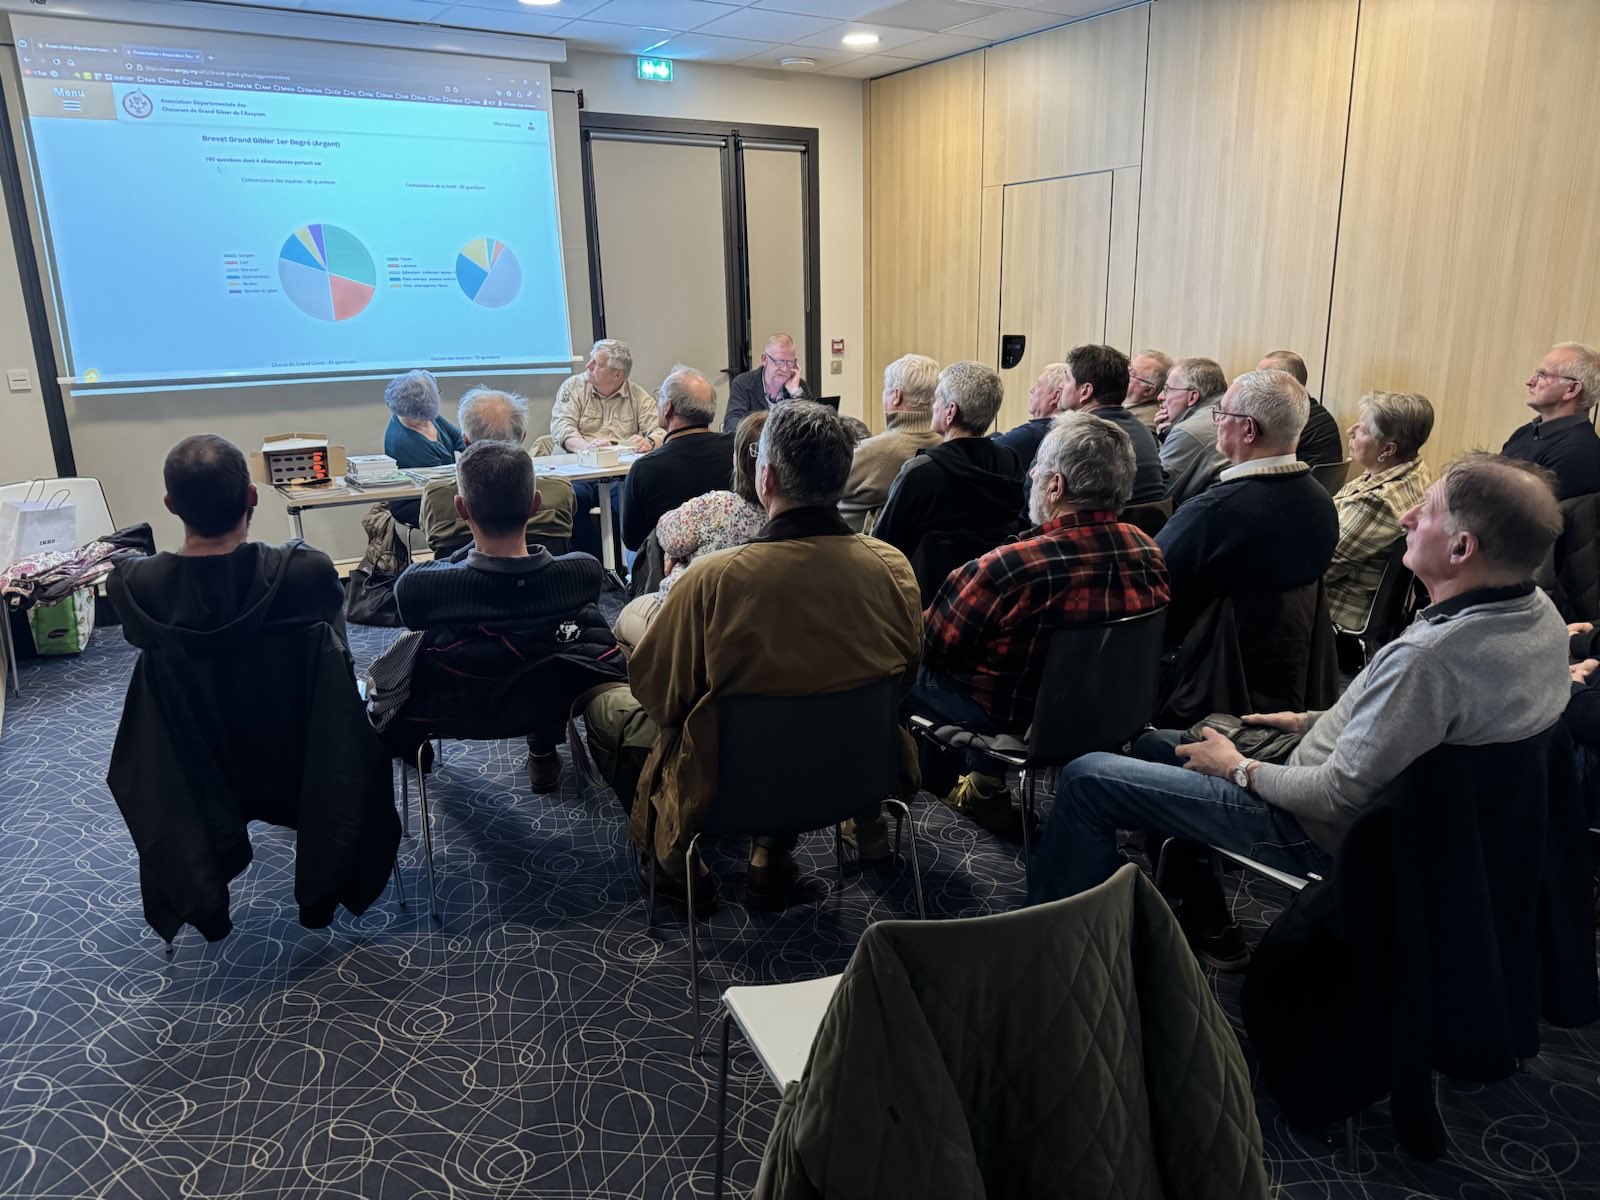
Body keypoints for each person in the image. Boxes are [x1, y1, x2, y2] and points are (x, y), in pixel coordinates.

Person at [1030, 453, 1570, 966]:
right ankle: (1202, 915)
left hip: (1316, 826)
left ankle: (1061, 947)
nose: (1406, 516)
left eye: (1425, 511)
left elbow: (1337, 796)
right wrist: (1313, 721)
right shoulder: (1537, 615)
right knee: (1154, 745)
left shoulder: (1430, 659)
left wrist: (1238, 768)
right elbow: (1418, 725)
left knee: (1086, 776)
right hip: (1386, 809)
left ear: (1461, 549)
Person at [582, 402, 922, 910]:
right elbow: (904, 679)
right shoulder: (891, 566)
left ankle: (676, 865)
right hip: (854, 768)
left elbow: (661, 698)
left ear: (764, 478)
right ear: (842, 477)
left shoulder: (713, 579)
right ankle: (768, 852)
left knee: (605, 707)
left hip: (729, 785)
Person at [915, 411, 1171, 834]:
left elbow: (930, 645)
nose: (1030, 473)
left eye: (1039, 467)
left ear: (1056, 486)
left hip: (1013, 721)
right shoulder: (1147, 549)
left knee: (895, 665)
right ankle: (983, 787)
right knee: (1004, 655)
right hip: (1105, 712)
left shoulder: (1009, 567)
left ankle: (872, 814)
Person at [370, 441, 621, 794]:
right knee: (547, 644)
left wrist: (464, 555)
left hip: (457, 709)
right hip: (547, 702)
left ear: (461, 509)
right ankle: (543, 750)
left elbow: (451, 580)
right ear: (535, 504)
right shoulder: (581, 571)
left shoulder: (419, 587)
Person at [110, 433, 348, 648]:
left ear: (170, 504)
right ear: (252, 495)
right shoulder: (306, 570)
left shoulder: (132, 585)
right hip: (293, 697)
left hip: (180, 698)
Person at [1156, 368, 1339, 642]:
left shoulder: (1212, 513)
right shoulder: (1324, 504)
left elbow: (1150, 584)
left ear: (1249, 429)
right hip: (1287, 668)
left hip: (1199, 667)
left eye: (1221, 412)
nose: (1215, 421)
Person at [613, 412, 768, 652]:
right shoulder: (794, 516)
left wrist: (681, 553)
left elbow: (662, 533)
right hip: (756, 625)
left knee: (622, 622)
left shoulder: (718, 506)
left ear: (737, 460)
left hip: (688, 621)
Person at [872, 361, 1023, 564]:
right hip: (993, 585)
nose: (933, 405)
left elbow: (883, 547)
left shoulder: (920, 472)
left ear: (951, 411)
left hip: (929, 590)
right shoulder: (1010, 462)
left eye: (936, 399)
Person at [420, 387, 576, 557]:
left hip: (459, 581)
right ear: (523, 436)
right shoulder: (560, 491)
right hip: (547, 581)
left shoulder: (436, 497)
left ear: (466, 441)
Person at [1325, 390, 1434, 632]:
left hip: (1333, 611)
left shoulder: (1379, 502)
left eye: (1362, 430)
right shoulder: (1413, 469)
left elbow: (1318, 569)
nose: (1350, 431)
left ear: (1388, 449)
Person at [552, 339, 664, 558]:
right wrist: (588, 448)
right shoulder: (573, 387)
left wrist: (649, 442)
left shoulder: (638, 396)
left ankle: (628, 567)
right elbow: (562, 428)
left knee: (631, 503)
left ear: (617, 375)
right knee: (574, 501)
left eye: (596, 363)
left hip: (617, 476)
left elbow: (660, 430)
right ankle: (590, 566)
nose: (588, 366)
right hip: (579, 473)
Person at [620, 366, 732, 551]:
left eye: (660, 397)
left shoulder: (645, 468)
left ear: (668, 408)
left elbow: (632, 540)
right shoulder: (737, 449)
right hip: (730, 558)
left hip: (671, 566)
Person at [838, 353, 942, 533]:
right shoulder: (945, 446)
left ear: (896, 396)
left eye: (885, 389)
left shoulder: (869, 454)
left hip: (853, 550)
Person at [1058, 344, 1166, 503]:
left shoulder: (1078, 436)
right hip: (1143, 525)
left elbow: (1037, 494)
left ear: (1085, 392)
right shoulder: (1143, 430)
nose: (1060, 386)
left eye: (1067, 379)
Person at [1501, 342, 1600, 500]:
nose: (1530, 381)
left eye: (1542, 375)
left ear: (1572, 390)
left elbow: (1531, 519)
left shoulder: (1578, 453)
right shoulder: (1528, 431)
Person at [382, 369, 466, 525]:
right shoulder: (405, 441)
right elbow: (442, 482)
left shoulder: (429, 418)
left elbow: (460, 439)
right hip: (418, 500)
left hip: (442, 490)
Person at [1157, 357, 1229, 505]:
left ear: (1192, 397)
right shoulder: (1225, 413)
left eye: (1167, 389)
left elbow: (1157, 496)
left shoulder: (1189, 431)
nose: (1160, 397)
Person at [1256, 350, 1342, 467]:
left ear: (1287, 383)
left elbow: (1258, 464)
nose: (1254, 384)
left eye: (1261, 379)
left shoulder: (1292, 420)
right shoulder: (1314, 411)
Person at [721, 333, 813, 432]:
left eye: (790, 362)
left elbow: (812, 423)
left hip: (789, 446)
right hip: (754, 444)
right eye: (779, 362)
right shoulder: (743, 383)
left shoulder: (799, 385)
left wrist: (795, 393)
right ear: (764, 359)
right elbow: (731, 423)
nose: (784, 368)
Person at [991, 362, 1068, 477]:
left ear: (1055, 397)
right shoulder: (1062, 430)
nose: (1032, 390)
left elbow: (986, 450)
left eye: (1038, 385)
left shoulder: (1034, 433)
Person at [1122, 349, 1174, 432]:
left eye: (1132, 373)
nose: (1122, 373)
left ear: (1148, 391)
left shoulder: (1144, 425)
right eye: (1128, 368)